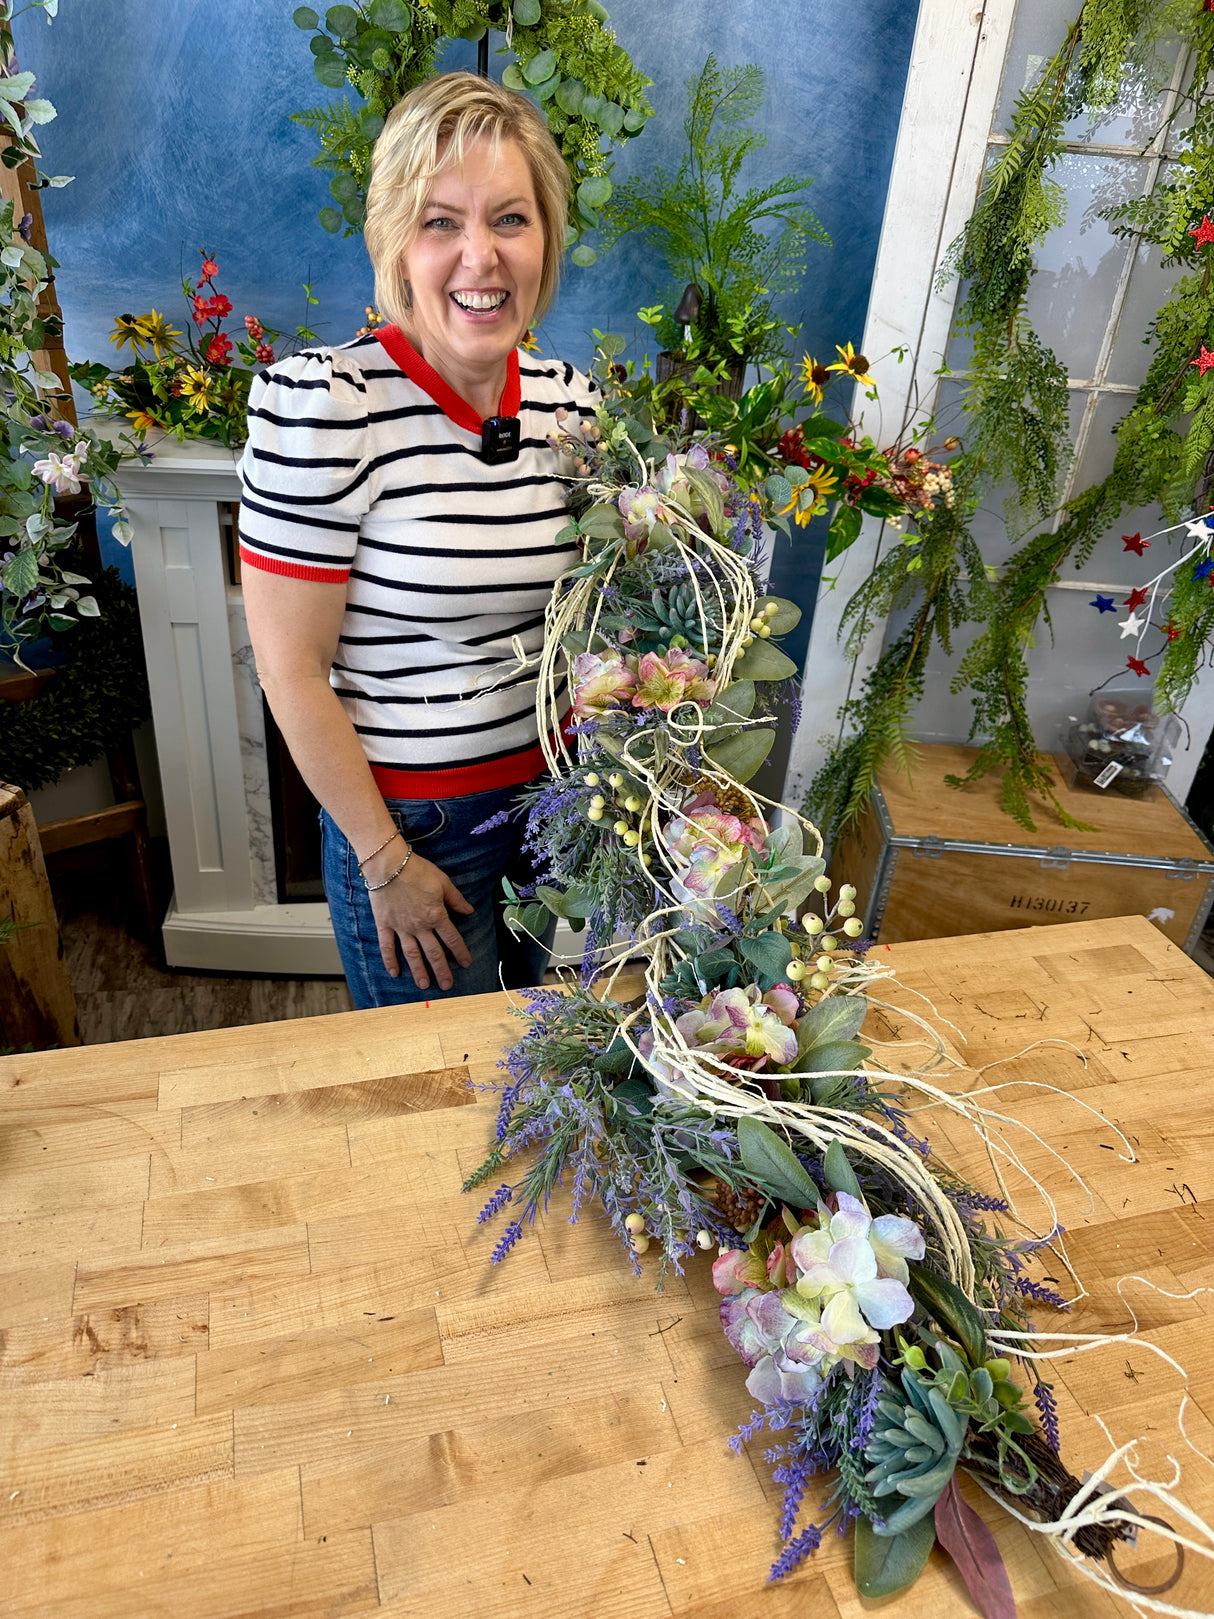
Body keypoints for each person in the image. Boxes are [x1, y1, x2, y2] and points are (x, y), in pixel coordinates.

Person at [237, 72, 599, 1007]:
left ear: (546, 240)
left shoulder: (574, 405)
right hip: (412, 829)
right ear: (396, 244)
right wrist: (385, 861)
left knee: (529, 1065)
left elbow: (586, 621)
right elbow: (289, 669)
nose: (480, 256)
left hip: (546, 817)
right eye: (441, 222)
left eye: (510, 219)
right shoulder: (328, 405)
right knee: (444, 1104)